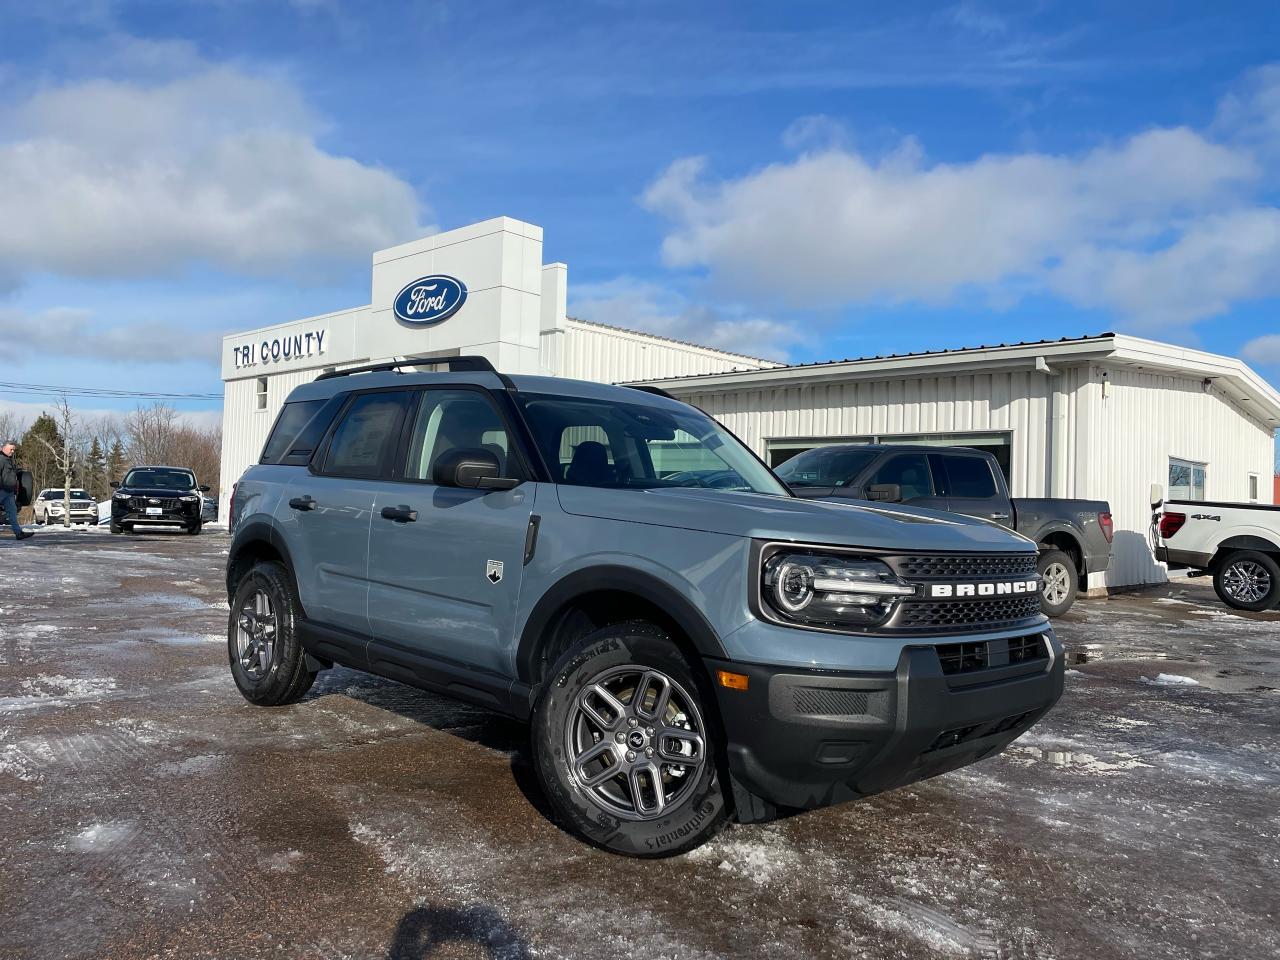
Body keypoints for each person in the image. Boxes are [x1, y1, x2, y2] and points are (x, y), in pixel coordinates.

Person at [0, 441, 34, 541]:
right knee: (12, 512)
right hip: (1, 490)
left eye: (14, 449)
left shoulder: (8, 460)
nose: (13, 451)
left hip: (9, 492)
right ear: (3, 448)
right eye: (11, 449)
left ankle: (18, 533)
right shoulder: (1, 459)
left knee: (12, 512)